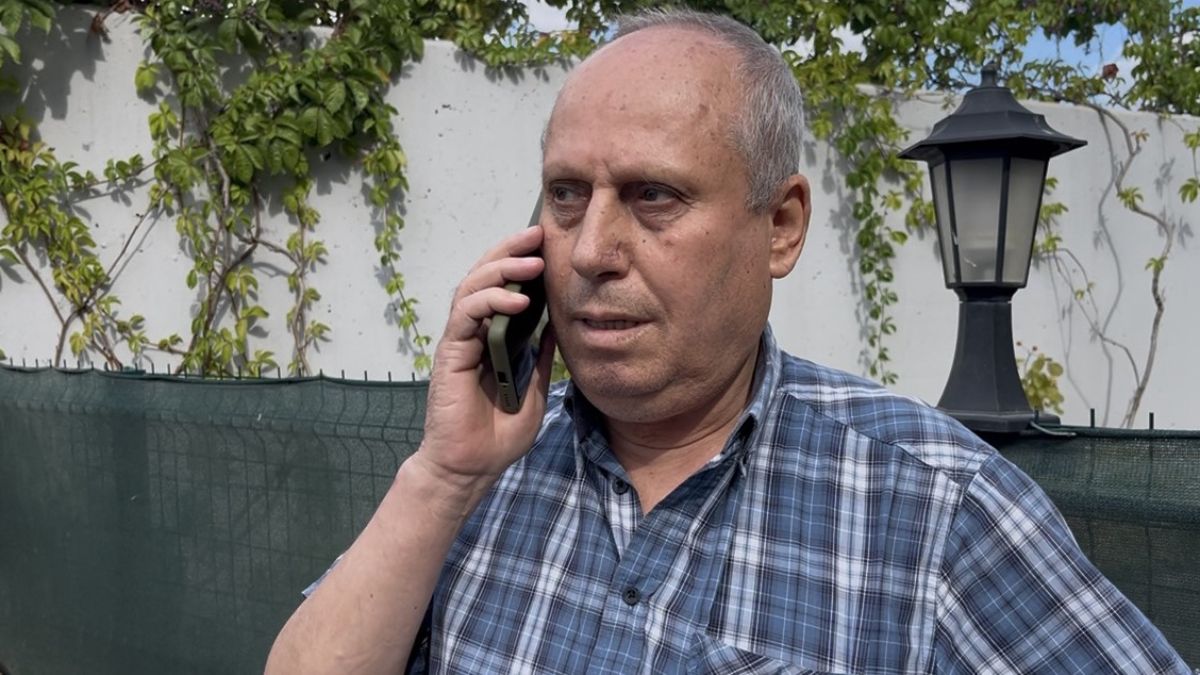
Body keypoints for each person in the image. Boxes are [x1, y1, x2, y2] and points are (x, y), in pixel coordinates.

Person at [266, 9, 1189, 674]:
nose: (589, 251)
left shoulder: (938, 508)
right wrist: (442, 477)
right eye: (567, 195)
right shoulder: (479, 475)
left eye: (653, 196)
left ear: (780, 226)